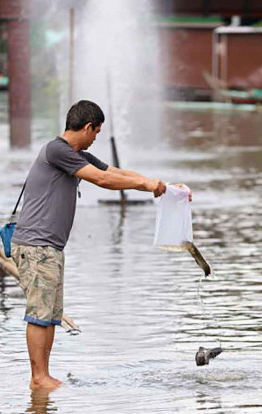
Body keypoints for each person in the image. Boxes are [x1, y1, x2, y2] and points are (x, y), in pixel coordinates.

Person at [11, 100, 176, 390]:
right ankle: (38, 378)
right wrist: (144, 187)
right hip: (37, 246)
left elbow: (115, 171)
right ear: (88, 127)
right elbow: (103, 180)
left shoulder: (74, 153)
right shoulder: (58, 150)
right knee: (39, 314)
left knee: (50, 315)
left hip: (49, 248)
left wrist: (153, 182)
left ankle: (44, 376)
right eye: (96, 132)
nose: (96, 138)